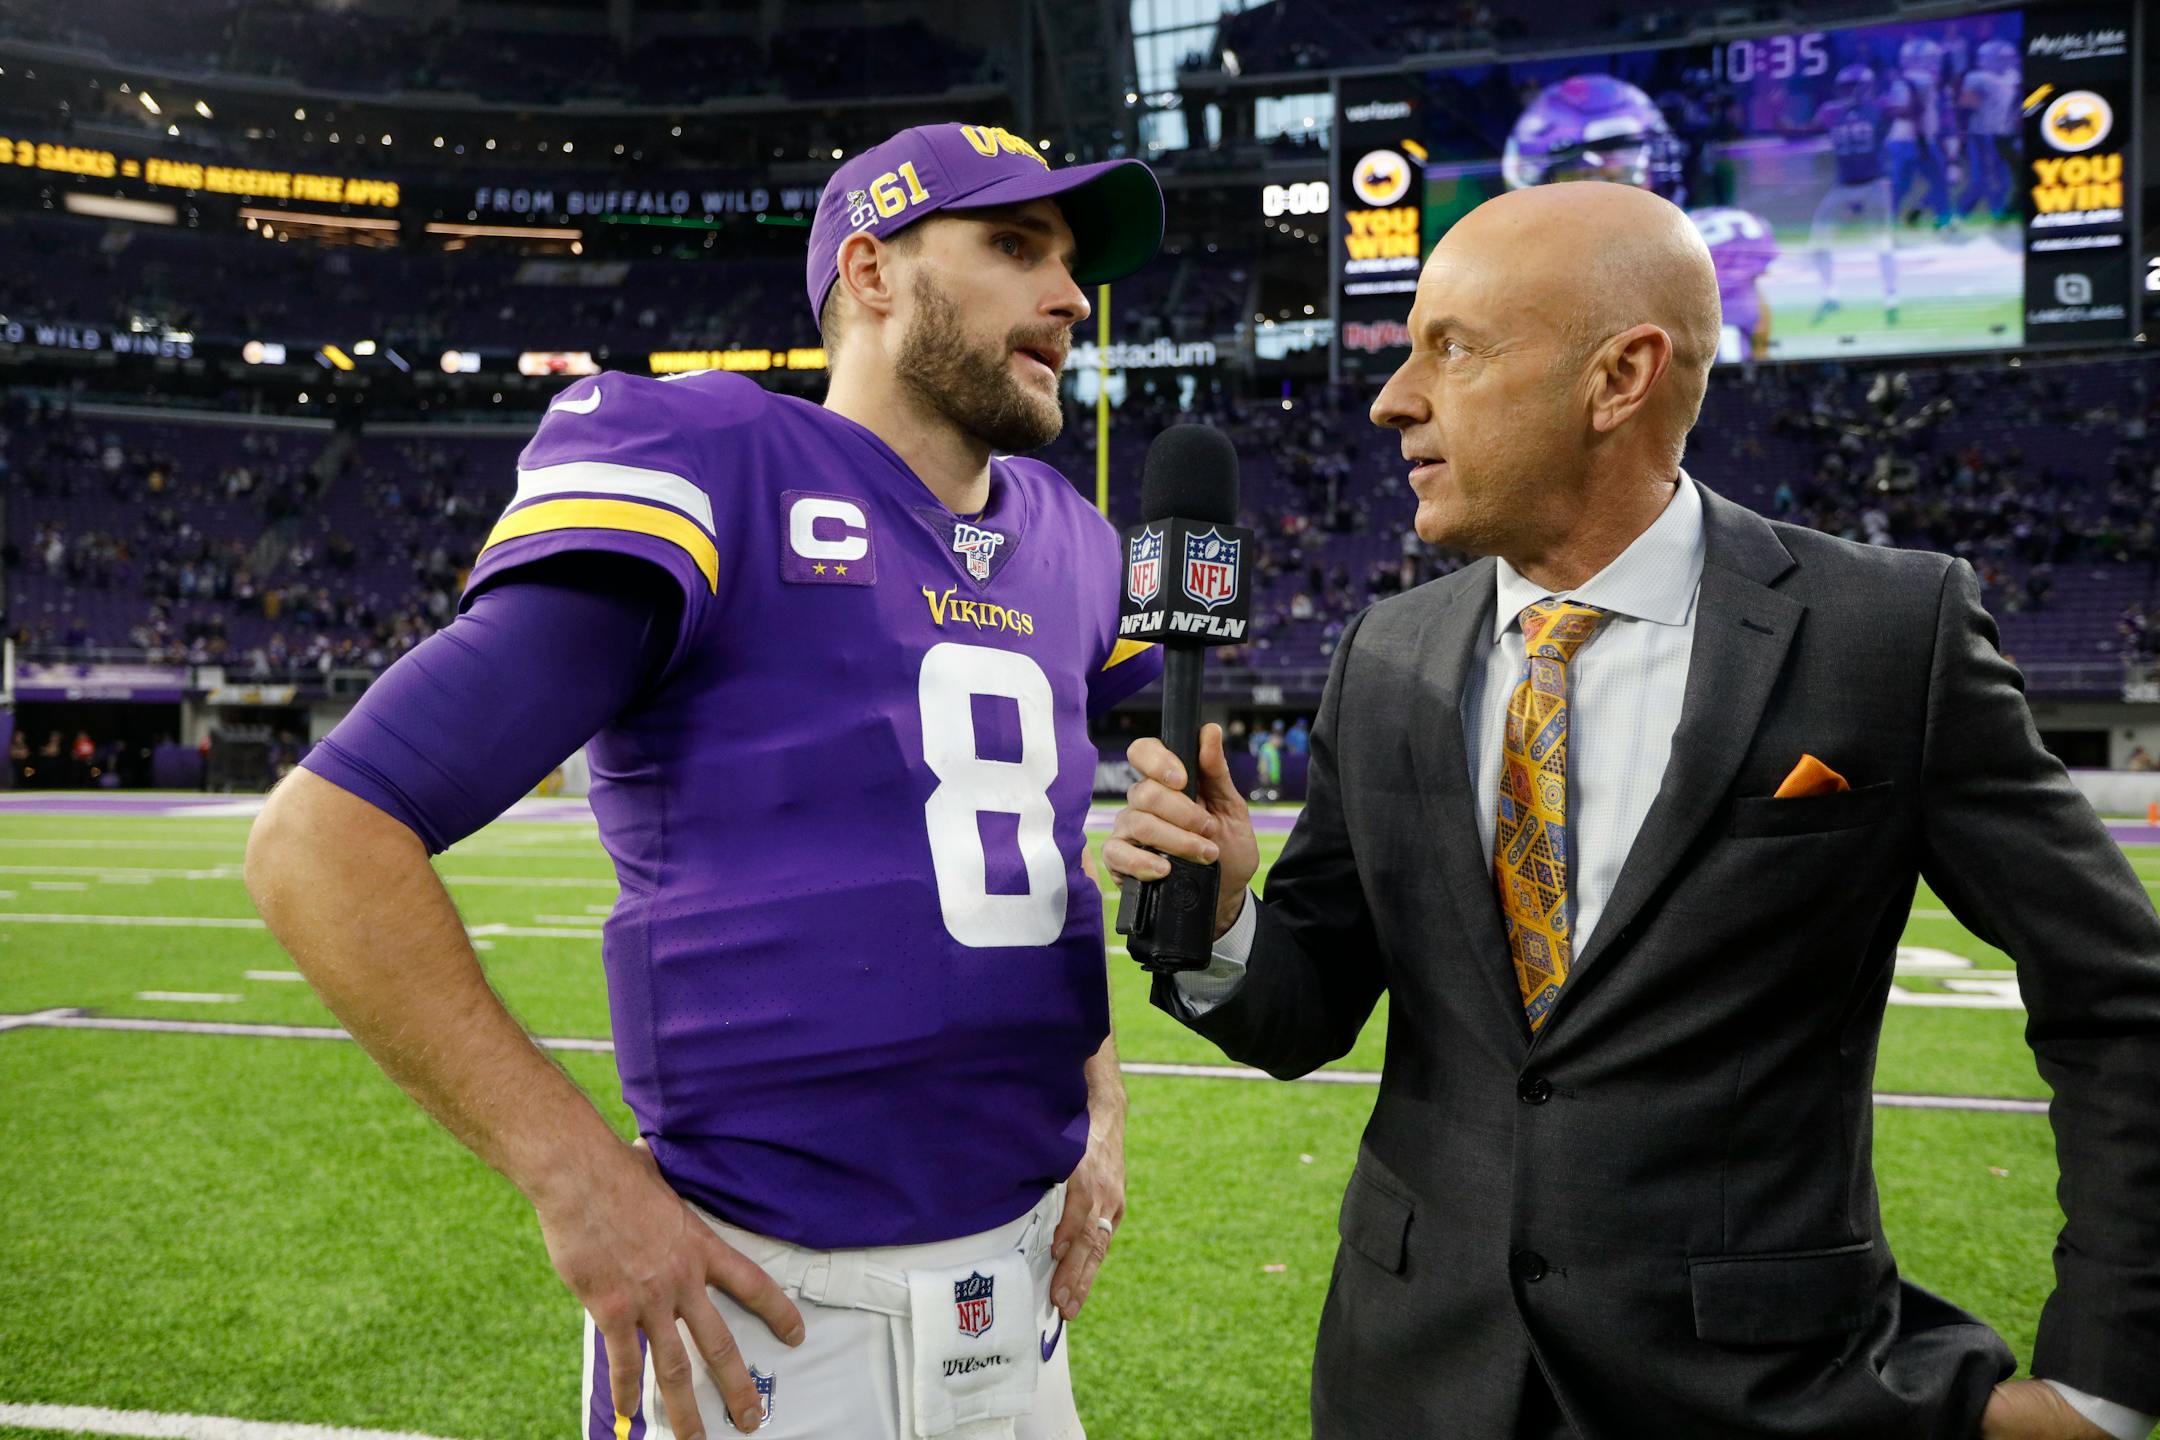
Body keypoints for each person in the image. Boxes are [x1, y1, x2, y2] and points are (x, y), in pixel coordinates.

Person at [1105, 181, 2160, 1439]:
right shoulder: (1384, 654)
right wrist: (1227, 916)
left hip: (1758, 1395)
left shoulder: (1887, 633)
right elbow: (1304, 1010)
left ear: (1620, 379)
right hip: (1414, 1380)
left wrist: (2107, 1380)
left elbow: (2119, 1003)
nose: (1393, 399)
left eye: (1452, 348)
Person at [245, 123, 1165, 1440]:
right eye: (1017, 247)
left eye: (1071, 261)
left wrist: (1103, 1094)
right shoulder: (717, 458)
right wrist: (573, 1179)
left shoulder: (1069, 537)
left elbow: (1019, 860)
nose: (1070, 296)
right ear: (872, 272)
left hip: (1019, 1311)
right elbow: (320, 839)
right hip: (769, 1317)